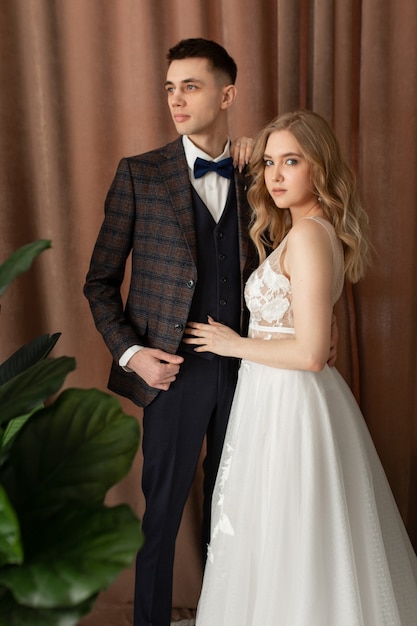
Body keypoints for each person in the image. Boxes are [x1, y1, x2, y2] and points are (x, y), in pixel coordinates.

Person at [185, 110, 417, 625]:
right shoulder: (303, 231)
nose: (275, 175)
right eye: (269, 162)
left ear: (321, 168)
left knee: (292, 527)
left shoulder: (310, 236)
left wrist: (232, 343)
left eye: (292, 161)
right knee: (280, 527)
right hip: (273, 397)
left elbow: (311, 354)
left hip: (291, 401)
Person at [83, 37, 257, 626]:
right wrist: (134, 355)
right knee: (160, 518)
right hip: (172, 376)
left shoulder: (264, 172)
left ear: (226, 94)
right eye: (170, 88)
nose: (176, 100)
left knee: (235, 512)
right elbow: (100, 281)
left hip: (251, 373)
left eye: (192, 86)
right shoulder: (139, 174)